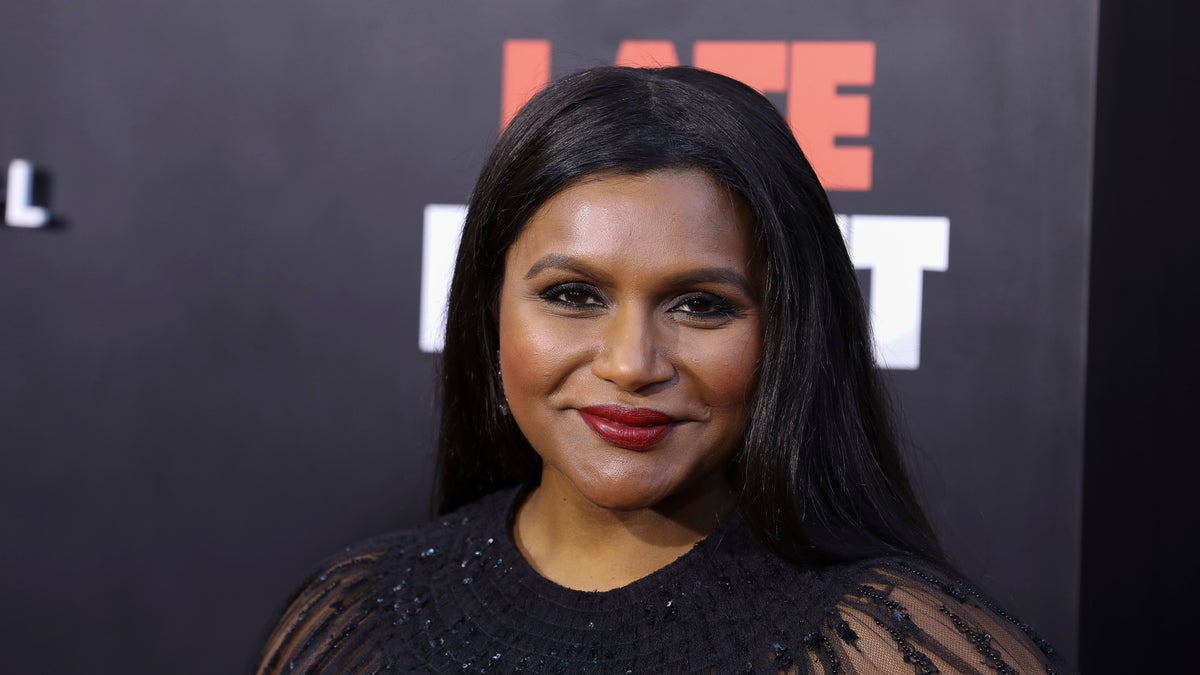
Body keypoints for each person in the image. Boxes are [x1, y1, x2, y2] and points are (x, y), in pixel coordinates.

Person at [255, 66, 1073, 674]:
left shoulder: (892, 653)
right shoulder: (352, 617)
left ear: (786, 328)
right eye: (574, 294)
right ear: (486, 307)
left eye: (699, 305)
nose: (630, 363)